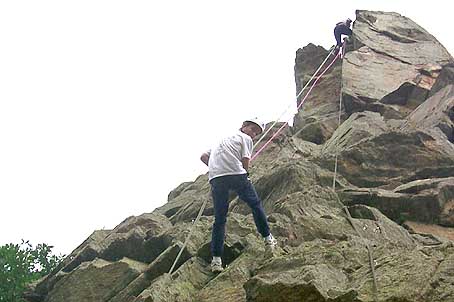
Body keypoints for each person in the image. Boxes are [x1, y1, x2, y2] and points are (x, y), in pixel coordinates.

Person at [200, 119, 277, 273]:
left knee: (220, 219)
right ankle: (268, 238)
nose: (254, 134)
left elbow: (203, 156)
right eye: (252, 129)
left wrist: (218, 168)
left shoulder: (220, 140)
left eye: (256, 132)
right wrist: (245, 174)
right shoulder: (245, 139)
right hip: (236, 174)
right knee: (255, 204)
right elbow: (245, 160)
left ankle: (216, 261)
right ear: (243, 127)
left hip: (216, 178)